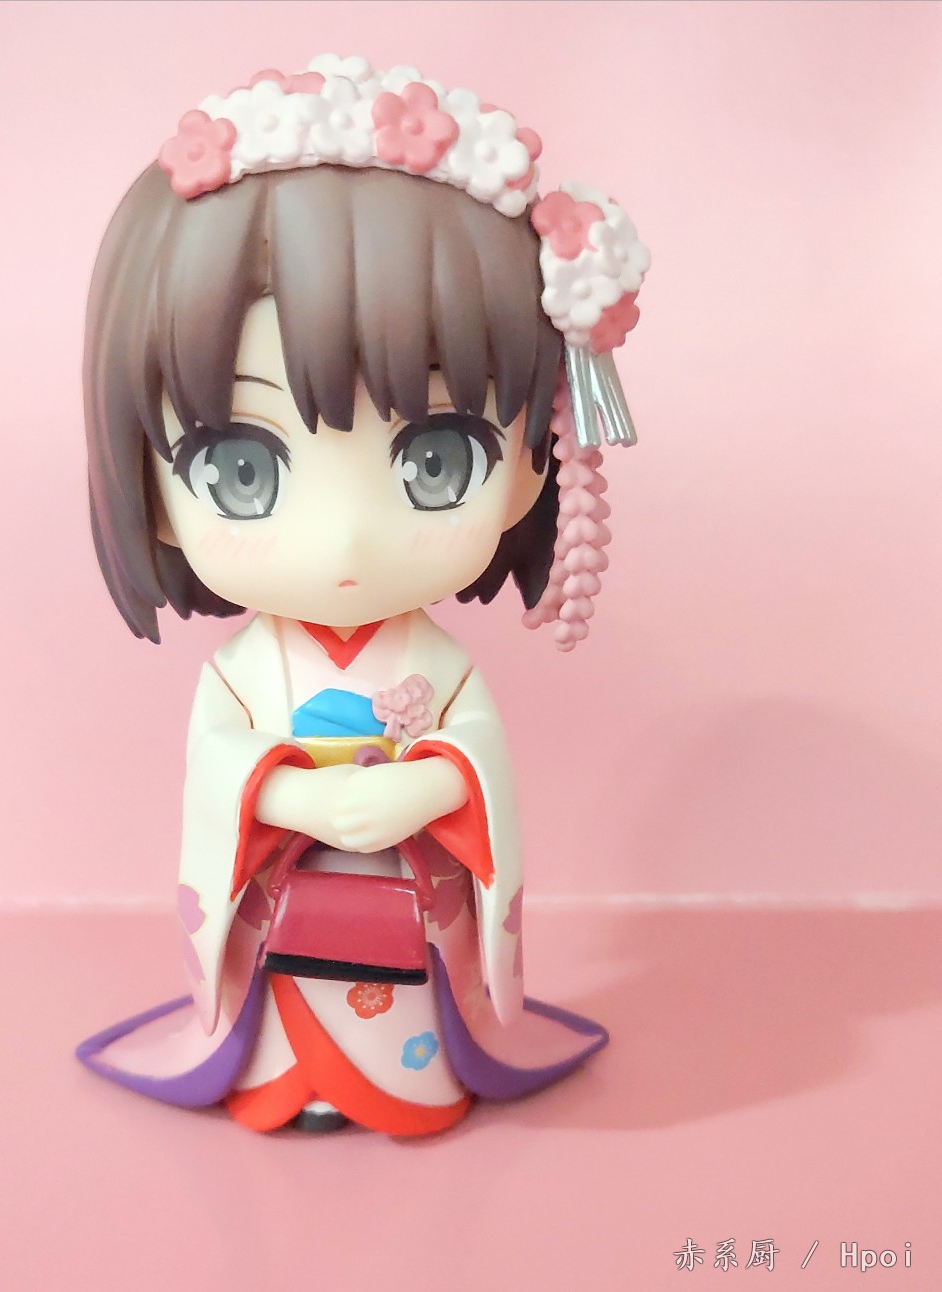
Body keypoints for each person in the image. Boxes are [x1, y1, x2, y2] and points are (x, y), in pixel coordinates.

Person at [76, 55, 649, 1135]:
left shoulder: (437, 667)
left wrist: (427, 789)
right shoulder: (246, 673)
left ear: (529, 468)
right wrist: (286, 800)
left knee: (408, 1021)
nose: (344, 540)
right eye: (240, 468)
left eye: (437, 458)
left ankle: (408, 1078)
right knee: (285, 1008)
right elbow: (218, 764)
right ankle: (284, 1074)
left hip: (407, 899)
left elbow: (476, 754)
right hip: (283, 903)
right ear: (150, 489)